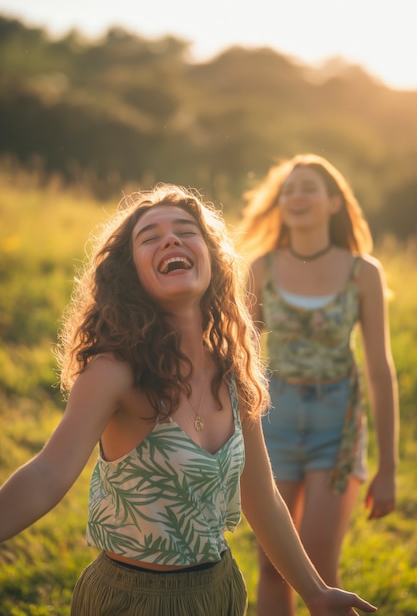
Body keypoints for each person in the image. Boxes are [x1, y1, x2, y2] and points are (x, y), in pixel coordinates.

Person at [0, 183, 377, 616]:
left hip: (219, 593)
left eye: (185, 230)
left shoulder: (233, 373)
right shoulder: (115, 371)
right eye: (150, 236)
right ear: (131, 272)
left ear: (212, 260)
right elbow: (48, 472)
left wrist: (315, 592)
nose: (171, 239)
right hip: (130, 601)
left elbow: (262, 498)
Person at [238, 154, 399, 616]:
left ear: (333, 203)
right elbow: (239, 358)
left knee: (321, 571)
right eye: (288, 190)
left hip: (339, 428)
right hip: (275, 422)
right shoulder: (261, 269)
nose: (296, 197)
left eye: (308, 187)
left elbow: (380, 369)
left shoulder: (362, 272)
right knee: (273, 566)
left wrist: (387, 467)